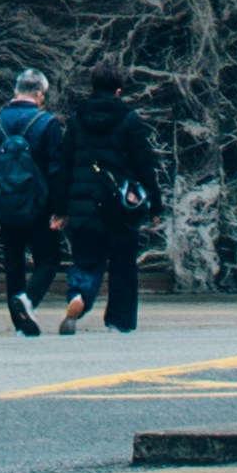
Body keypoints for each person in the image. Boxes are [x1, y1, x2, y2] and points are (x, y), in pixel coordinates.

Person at [59, 63, 162, 336]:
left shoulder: (77, 119)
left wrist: (59, 209)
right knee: (123, 265)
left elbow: (64, 165)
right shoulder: (129, 119)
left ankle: (78, 296)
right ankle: (119, 320)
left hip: (82, 206)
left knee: (86, 262)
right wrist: (155, 203)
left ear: (92, 88)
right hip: (118, 209)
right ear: (118, 91)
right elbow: (143, 164)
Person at [0, 65, 64, 336]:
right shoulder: (48, 123)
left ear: (15, 91)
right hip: (39, 207)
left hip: (6, 205)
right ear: (40, 94)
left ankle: (21, 325)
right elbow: (56, 169)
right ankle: (27, 301)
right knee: (49, 259)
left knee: (13, 263)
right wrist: (60, 209)